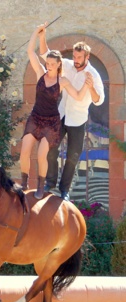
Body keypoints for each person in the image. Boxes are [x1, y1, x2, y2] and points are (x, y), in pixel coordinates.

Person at [20, 24, 93, 200]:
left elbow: (76, 96)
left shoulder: (63, 81)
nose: (49, 66)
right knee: (24, 151)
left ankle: (40, 186)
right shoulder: (40, 73)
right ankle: (23, 185)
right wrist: (36, 33)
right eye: (48, 63)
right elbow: (31, 51)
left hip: (51, 123)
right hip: (35, 118)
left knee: (41, 155)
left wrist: (86, 86)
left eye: (53, 64)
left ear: (59, 64)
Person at [39, 23, 105, 201]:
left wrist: (90, 88)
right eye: (74, 56)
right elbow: (46, 54)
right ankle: (50, 182)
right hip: (61, 115)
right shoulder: (66, 65)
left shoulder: (94, 75)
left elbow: (100, 100)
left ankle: (64, 190)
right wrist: (42, 35)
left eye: (79, 57)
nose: (75, 59)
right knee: (51, 150)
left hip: (78, 120)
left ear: (87, 57)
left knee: (73, 157)